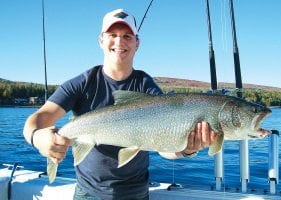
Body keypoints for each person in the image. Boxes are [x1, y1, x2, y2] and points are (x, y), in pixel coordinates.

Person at [23, 8, 216, 200]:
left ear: (137, 43)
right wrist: (37, 137)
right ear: (101, 40)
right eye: (112, 35)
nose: (119, 41)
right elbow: (38, 119)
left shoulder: (146, 86)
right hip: (88, 194)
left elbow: (164, 148)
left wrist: (187, 149)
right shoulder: (82, 83)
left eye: (127, 36)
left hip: (137, 194)